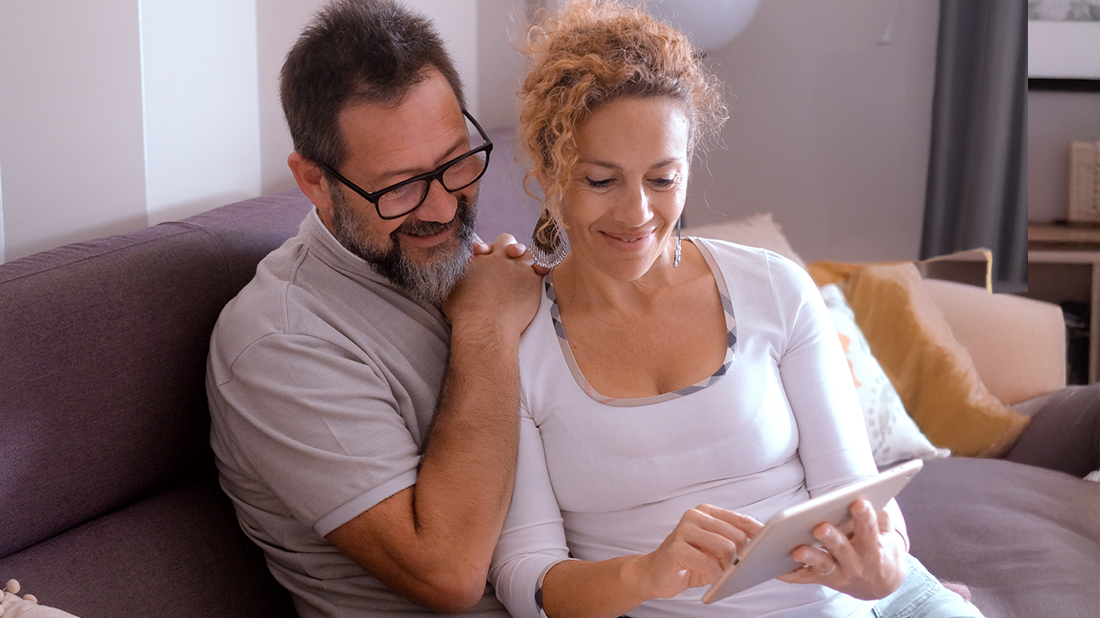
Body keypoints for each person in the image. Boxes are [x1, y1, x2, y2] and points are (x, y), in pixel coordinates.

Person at [487, 2, 985, 618]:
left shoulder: (774, 289)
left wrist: (880, 567)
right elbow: (525, 578)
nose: (637, 213)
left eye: (663, 179)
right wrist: (645, 574)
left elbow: (855, 496)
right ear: (551, 168)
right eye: (601, 180)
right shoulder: (517, 337)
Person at [205, 1, 544, 616]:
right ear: (313, 181)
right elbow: (447, 574)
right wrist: (487, 326)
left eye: (454, 162)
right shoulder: (279, 342)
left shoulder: (457, 260)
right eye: (399, 186)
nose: (443, 209)